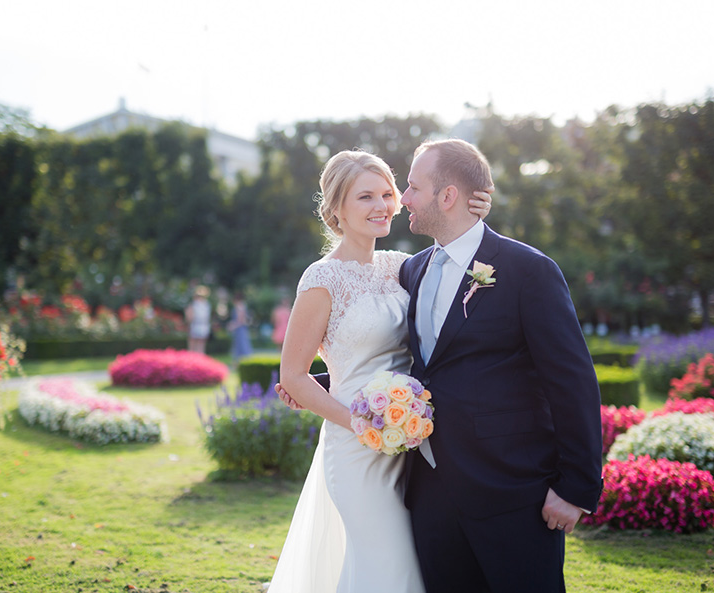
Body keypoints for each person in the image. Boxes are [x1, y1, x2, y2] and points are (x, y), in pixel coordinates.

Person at [267, 149, 492, 593]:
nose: (382, 206)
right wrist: (363, 419)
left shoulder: (402, 266)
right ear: (336, 210)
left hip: (412, 443)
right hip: (356, 448)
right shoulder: (321, 279)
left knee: (404, 563)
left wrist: (474, 215)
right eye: (365, 197)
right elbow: (293, 376)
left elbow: (463, 269)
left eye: (388, 194)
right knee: (390, 565)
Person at [397, 139, 603, 592]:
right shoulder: (411, 269)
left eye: (412, 187)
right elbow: (413, 365)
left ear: (447, 196)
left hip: (514, 493)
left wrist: (576, 488)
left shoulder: (528, 270)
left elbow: (572, 383)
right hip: (431, 493)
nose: (402, 199)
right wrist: (323, 382)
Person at [227, 292, 254, 363]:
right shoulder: (242, 306)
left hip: (240, 330)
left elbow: (240, 320)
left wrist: (232, 326)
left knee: (241, 347)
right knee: (240, 346)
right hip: (240, 329)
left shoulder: (239, 306)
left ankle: (239, 363)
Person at [184, 285, 211, 353]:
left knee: (193, 345)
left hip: (196, 325)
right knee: (200, 345)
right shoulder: (207, 304)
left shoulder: (195, 304)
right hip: (203, 325)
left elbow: (190, 317)